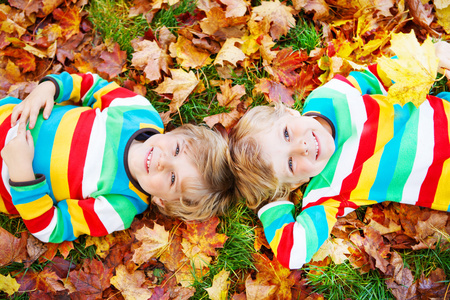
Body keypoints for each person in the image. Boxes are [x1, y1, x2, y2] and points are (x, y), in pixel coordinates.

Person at [228, 40, 450, 269]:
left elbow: (377, 77)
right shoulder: (328, 190)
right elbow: (293, 252)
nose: (301, 147)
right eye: (291, 164)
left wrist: (428, 58)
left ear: (289, 112)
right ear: (296, 184)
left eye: (286, 134)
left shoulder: (327, 97)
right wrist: (271, 202)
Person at [0, 72, 235, 243]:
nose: (163, 161)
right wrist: (49, 88)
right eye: (176, 150)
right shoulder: (139, 112)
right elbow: (91, 86)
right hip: (8, 117)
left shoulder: (120, 206)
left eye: (173, 178)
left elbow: (52, 228)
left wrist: (22, 174)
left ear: (162, 202)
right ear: (176, 132)